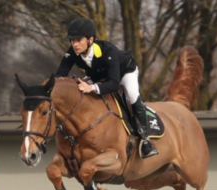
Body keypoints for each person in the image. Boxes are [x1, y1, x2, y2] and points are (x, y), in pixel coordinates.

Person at [55, 18, 158, 159]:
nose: (75, 44)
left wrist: (91, 87)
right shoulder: (72, 52)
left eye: (78, 40)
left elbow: (114, 84)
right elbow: (60, 76)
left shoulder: (108, 51)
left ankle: (146, 139)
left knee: (132, 94)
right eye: (72, 40)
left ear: (91, 39)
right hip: (99, 75)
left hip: (124, 72)